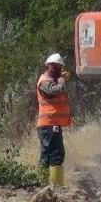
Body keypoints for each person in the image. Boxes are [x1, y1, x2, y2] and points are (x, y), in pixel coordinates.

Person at [36, 53, 72, 186]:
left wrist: (60, 79)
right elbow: (55, 91)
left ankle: (43, 185)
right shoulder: (44, 81)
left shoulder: (51, 80)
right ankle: (57, 188)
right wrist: (62, 80)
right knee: (56, 154)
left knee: (47, 155)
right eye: (55, 67)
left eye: (59, 68)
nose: (57, 70)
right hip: (49, 125)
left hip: (50, 125)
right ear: (48, 66)